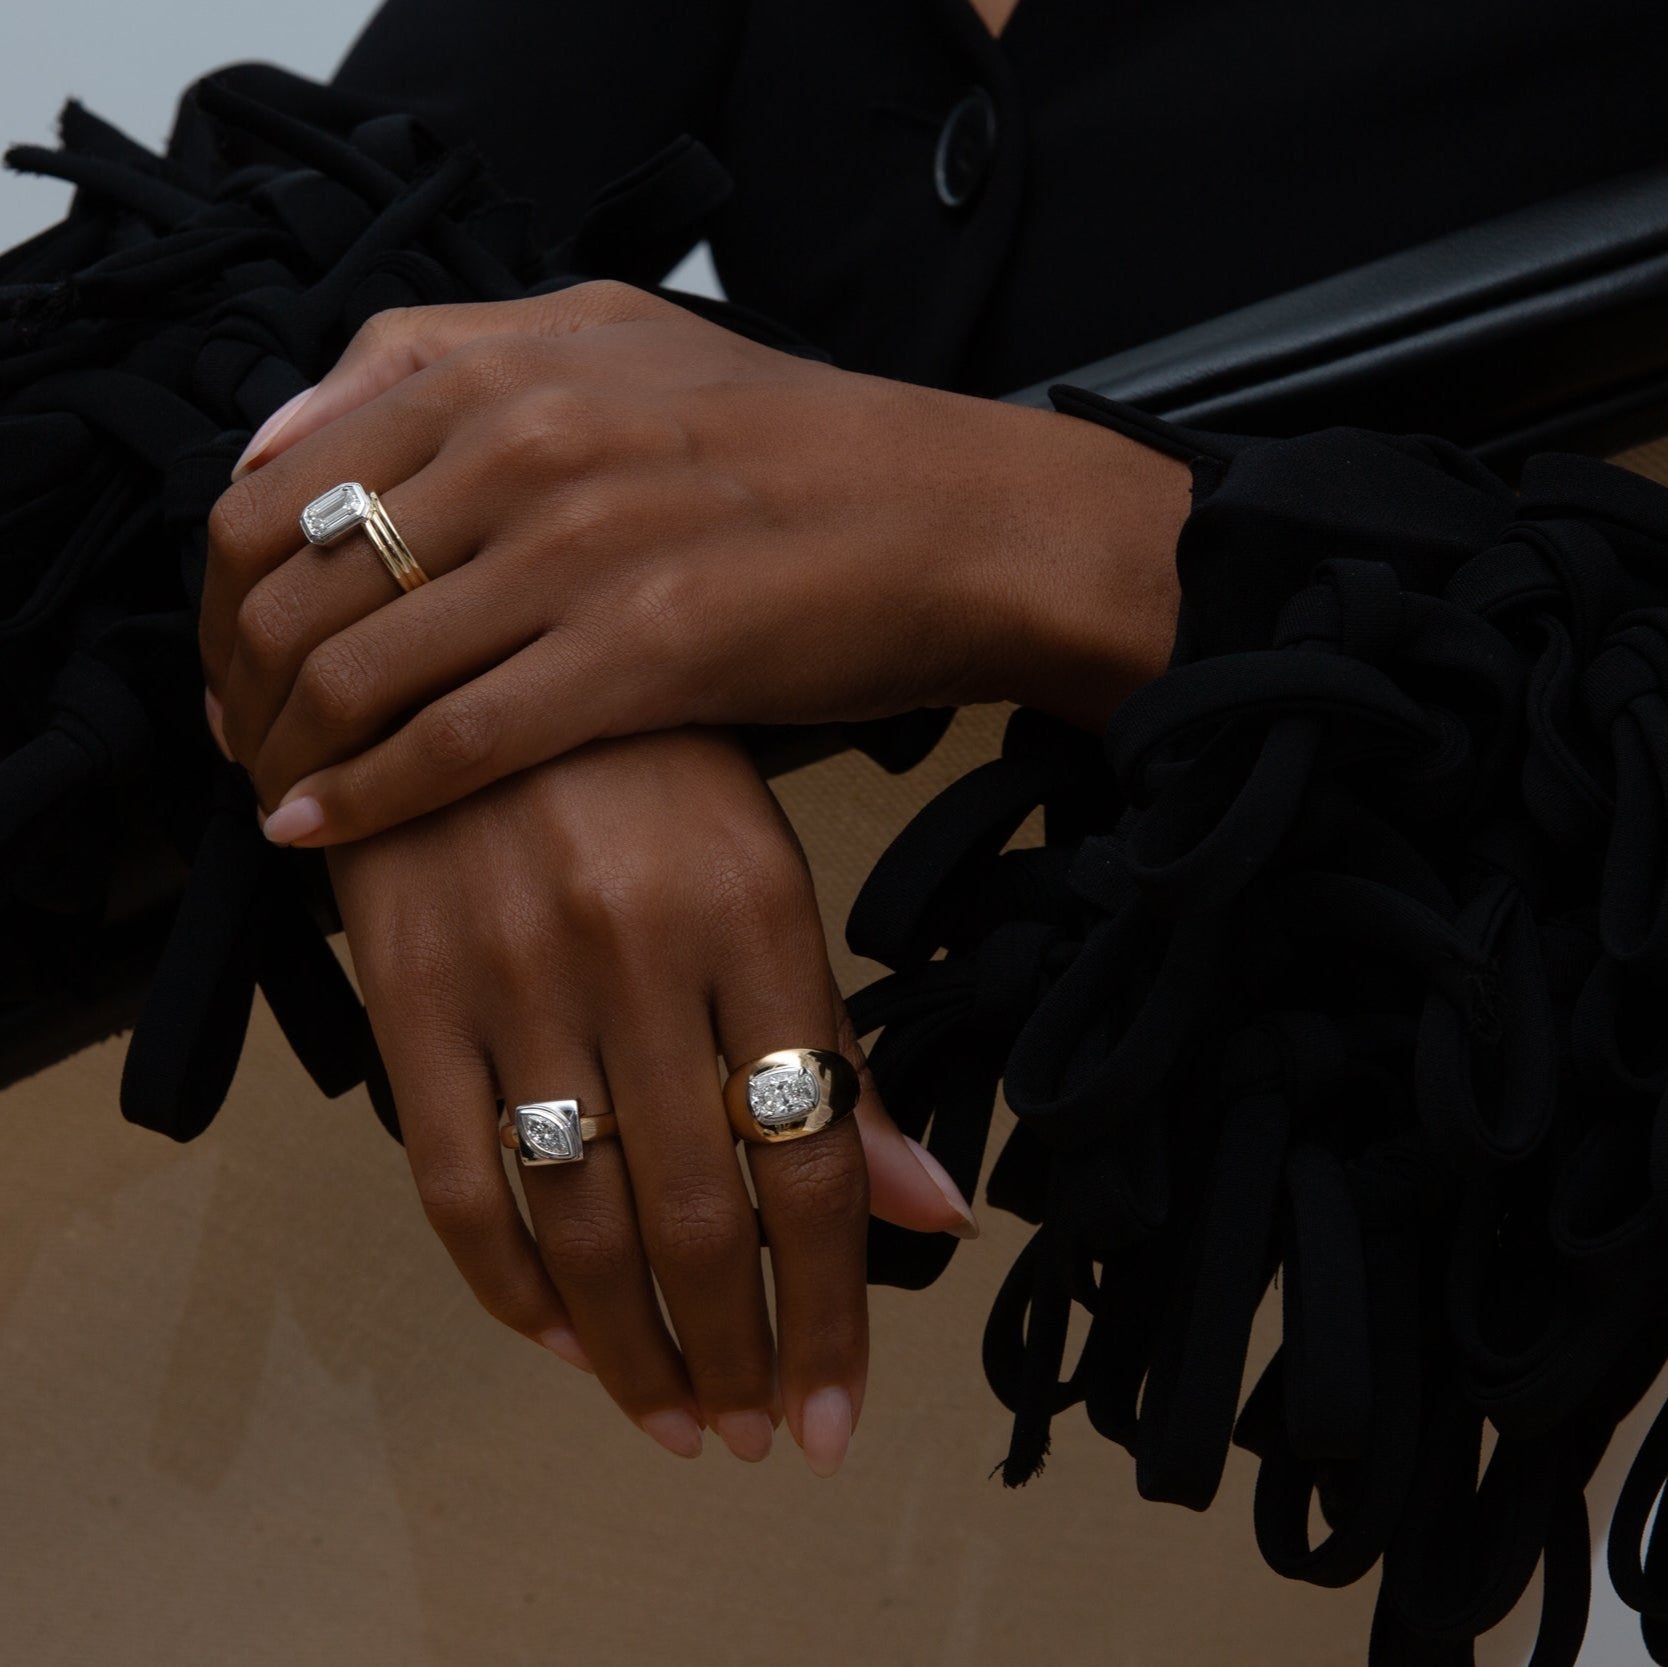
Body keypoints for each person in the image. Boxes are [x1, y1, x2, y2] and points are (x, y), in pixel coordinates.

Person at [6, 2, 1668, 1661]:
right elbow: (217, 247)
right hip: (607, 1531)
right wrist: (488, 671)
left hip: (1232, 1449)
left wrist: (1010, 532)